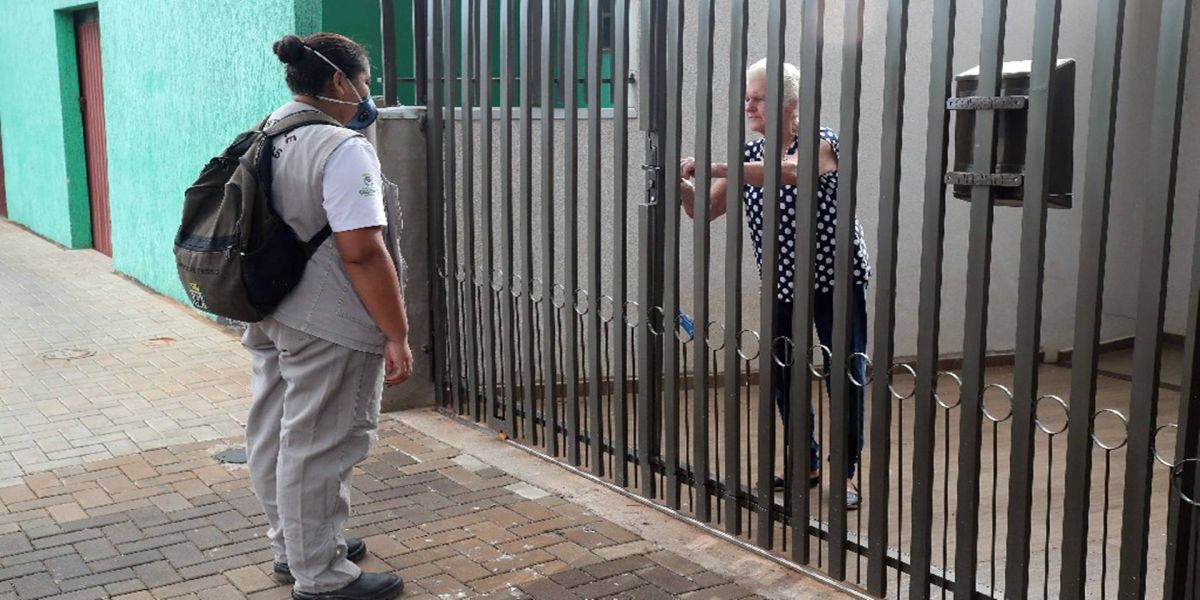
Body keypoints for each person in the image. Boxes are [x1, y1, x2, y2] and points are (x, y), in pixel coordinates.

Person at [241, 33, 411, 600]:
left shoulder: (267, 130)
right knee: (320, 443)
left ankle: (293, 548)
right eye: (365, 82)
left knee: (274, 430)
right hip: (327, 319)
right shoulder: (341, 147)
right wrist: (396, 332)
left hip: (269, 308)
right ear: (340, 81)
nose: (368, 94)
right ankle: (321, 575)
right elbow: (362, 250)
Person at [679, 58, 871, 510]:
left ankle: (847, 472)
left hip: (836, 278)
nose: (749, 106)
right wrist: (682, 184)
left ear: (789, 103)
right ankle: (806, 461)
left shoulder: (822, 141)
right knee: (786, 373)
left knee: (844, 373)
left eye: (759, 99)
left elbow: (791, 172)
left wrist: (715, 166)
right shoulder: (748, 155)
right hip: (784, 283)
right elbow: (705, 211)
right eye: (747, 98)